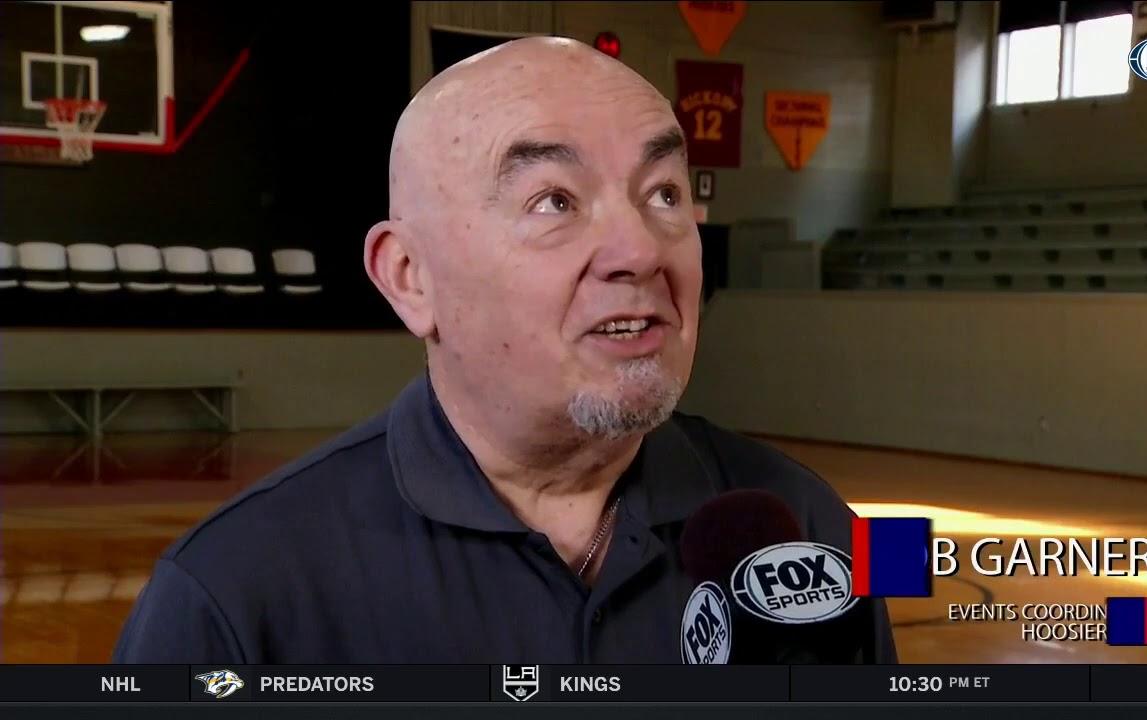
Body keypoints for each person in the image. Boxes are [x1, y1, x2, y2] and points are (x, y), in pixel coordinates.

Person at [112, 36, 898, 664]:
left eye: (664, 193)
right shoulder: (231, 589)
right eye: (554, 200)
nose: (640, 248)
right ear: (410, 278)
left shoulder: (812, 521)